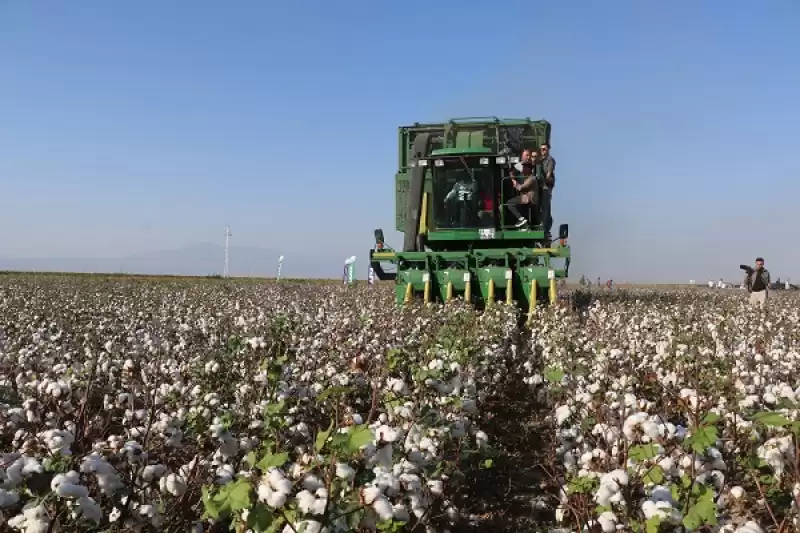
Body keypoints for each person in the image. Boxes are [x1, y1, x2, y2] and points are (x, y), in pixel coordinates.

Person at [507, 150, 538, 228]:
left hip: (528, 197)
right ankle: (523, 223)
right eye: (526, 155)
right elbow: (511, 172)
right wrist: (513, 179)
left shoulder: (531, 173)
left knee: (509, 203)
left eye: (529, 156)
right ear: (522, 156)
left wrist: (516, 185)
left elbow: (522, 187)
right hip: (524, 194)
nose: (528, 157)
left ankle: (521, 219)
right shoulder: (520, 165)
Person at [539, 142, 556, 239]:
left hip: (546, 186)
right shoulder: (540, 160)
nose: (543, 151)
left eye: (544, 149)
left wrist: (543, 181)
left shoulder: (550, 160)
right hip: (540, 186)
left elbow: (548, 174)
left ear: (548, 150)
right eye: (541, 149)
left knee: (545, 207)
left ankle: (545, 227)